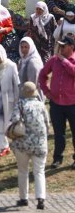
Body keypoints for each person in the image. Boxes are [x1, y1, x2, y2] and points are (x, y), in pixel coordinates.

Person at [38, 34, 75, 169]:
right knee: (59, 133)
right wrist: (46, 91)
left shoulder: (71, 60)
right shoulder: (54, 60)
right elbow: (42, 75)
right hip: (56, 104)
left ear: (71, 47)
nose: (60, 48)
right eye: (59, 45)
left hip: (72, 104)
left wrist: (64, 61)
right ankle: (57, 158)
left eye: (63, 46)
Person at [10, 81, 49, 209]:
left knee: (23, 171)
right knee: (39, 171)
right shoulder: (41, 105)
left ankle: (23, 198)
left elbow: (15, 120)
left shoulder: (20, 104)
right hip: (40, 144)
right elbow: (47, 123)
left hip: (23, 143)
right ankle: (41, 199)